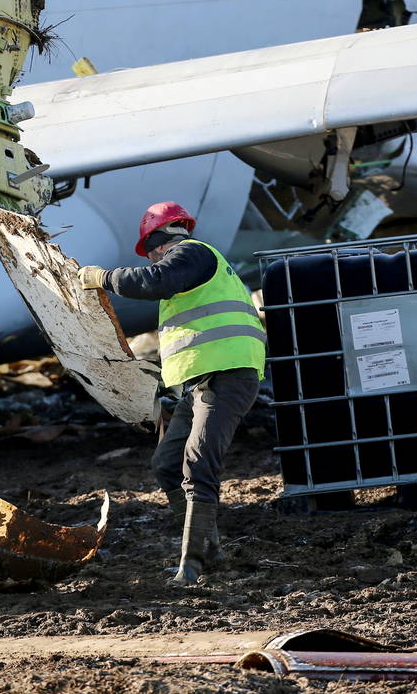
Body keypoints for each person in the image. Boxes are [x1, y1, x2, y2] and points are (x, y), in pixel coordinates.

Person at [77, 201, 266, 586]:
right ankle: (210, 551)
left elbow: (154, 281)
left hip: (227, 375)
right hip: (200, 382)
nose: (151, 258)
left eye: (149, 252)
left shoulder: (191, 253)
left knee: (198, 464)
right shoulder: (196, 270)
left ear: (157, 242)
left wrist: (103, 277)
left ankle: (192, 567)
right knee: (167, 462)